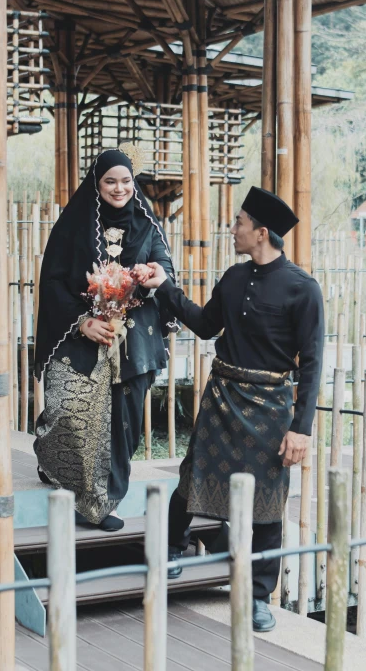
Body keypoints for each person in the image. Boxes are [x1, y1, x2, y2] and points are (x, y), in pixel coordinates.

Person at [137, 186, 324, 630]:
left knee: (268, 499)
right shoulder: (234, 277)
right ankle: (172, 549)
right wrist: (165, 288)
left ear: (261, 233)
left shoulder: (303, 289)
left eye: (239, 222)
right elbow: (205, 325)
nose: (233, 228)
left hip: (271, 407)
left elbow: (314, 364)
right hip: (222, 396)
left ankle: (259, 594)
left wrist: (301, 429)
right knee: (193, 475)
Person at [33, 148, 177, 532]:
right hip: (82, 335)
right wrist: (82, 323)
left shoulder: (148, 224)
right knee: (67, 412)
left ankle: (102, 501)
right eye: (110, 181)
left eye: (127, 181)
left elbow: (165, 267)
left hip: (134, 341)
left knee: (123, 424)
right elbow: (52, 281)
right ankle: (54, 460)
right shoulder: (74, 224)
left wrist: (152, 272)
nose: (120, 188)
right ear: (97, 183)